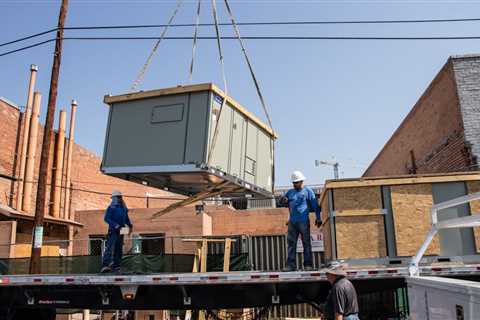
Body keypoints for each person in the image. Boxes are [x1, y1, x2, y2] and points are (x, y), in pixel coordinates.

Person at [283, 171, 321, 272]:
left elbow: (315, 205)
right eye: (293, 183)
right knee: (291, 244)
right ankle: (291, 265)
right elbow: (283, 201)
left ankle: (308, 265)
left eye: (296, 182)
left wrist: (318, 217)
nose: (294, 184)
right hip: (292, 223)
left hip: (304, 222)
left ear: (301, 181)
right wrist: (283, 200)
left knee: (306, 243)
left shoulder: (308, 191)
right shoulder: (290, 192)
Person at [100, 190, 133, 273]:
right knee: (110, 248)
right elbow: (106, 218)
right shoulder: (111, 207)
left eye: (114, 198)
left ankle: (117, 266)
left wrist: (130, 225)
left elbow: (126, 218)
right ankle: (105, 265)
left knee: (119, 249)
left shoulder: (124, 208)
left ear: (118, 198)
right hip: (113, 230)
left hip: (121, 230)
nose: (113, 199)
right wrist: (115, 225)